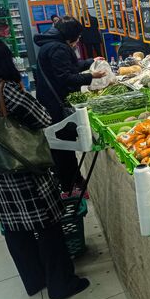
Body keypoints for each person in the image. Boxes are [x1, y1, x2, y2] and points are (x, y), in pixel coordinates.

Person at [0, 37, 89, 299]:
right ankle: (61, 284)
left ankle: (35, 280)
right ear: (1, 60)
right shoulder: (5, 89)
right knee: (47, 226)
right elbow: (43, 117)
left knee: (14, 228)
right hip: (25, 169)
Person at [34, 16, 105, 194]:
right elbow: (66, 78)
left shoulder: (50, 44)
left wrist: (89, 62)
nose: (79, 39)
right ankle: (69, 186)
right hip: (56, 104)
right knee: (63, 147)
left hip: (49, 100)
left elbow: (68, 67)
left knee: (62, 146)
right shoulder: (58, 48)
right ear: (72, 34)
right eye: (78, 36)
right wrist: (92, 77)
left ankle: (74, 181)